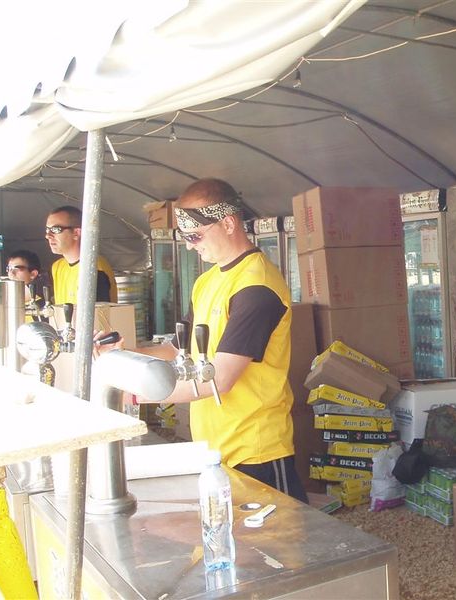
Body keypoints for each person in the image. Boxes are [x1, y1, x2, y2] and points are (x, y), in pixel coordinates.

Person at [97, 178, 307, 502]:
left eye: (195, 235)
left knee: (278, 533)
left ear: (228, 223)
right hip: (214, 448)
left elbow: (220, 379)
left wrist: (132, 395)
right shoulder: (206, 282)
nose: (190, 246)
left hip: (255, 451)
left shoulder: (257, 287)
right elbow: (178, 350)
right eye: (185, 237)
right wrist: (126, 354)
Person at [46, 205, 118, 304]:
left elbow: (98, 312)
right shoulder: (57, 267)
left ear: (76, 233)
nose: (48, 236)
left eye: (56, 229)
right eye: (47, 230)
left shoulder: (93, 268)